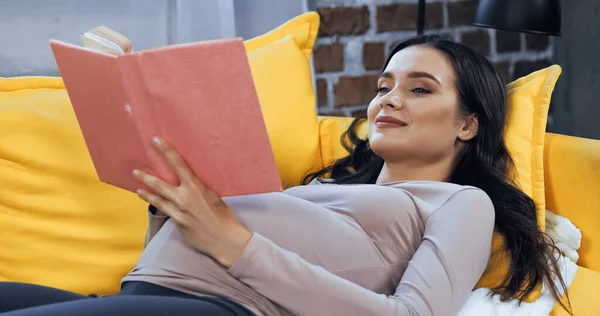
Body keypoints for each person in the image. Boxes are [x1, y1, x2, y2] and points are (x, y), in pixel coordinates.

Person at [0, 34, 569, 316]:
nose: (388, 100)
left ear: (468, 124)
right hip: (143, 292)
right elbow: (170, 256)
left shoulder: (459, 203)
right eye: (383, 87)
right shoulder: (322, 189)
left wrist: (233, 242)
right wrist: (170, 204)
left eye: (419, 89)